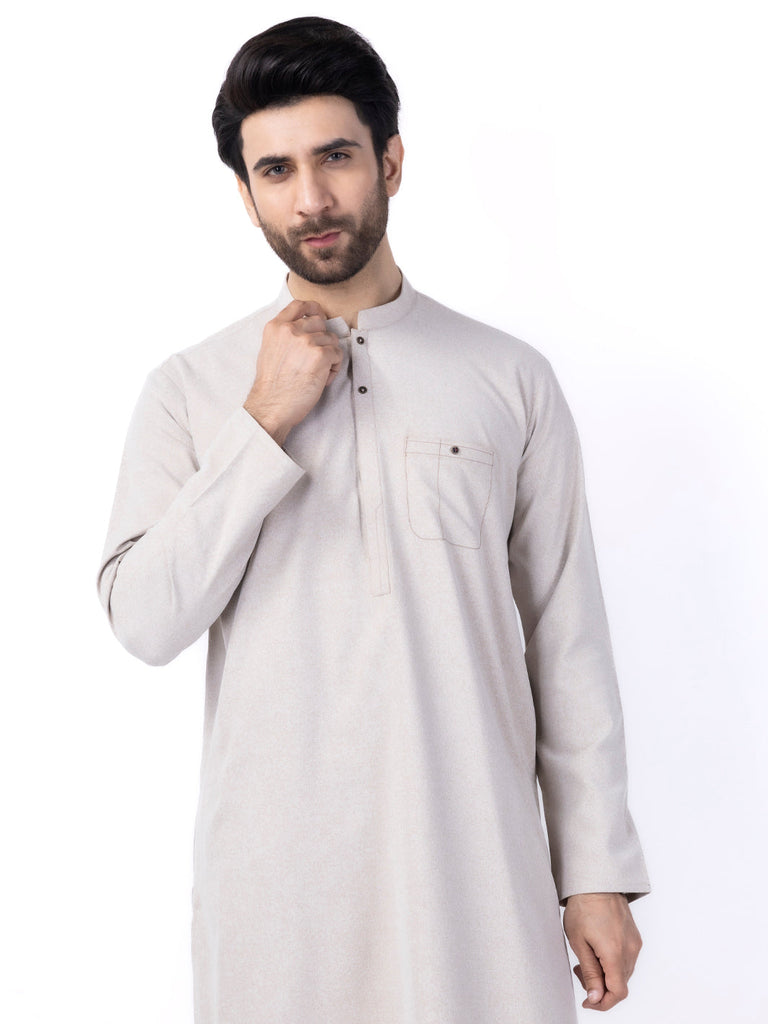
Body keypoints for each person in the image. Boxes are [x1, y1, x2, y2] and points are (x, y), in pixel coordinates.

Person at [98, 16, 650, 1024]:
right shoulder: (190, 390)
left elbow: (567, 640)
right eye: (275, 171)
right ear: (245, 193)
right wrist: (264, 419)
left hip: (476, 879)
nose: (310, 198)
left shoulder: (508, 378)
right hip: (277, 900)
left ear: (391, 161)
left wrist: (596, 873)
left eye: (336, 157)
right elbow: (143, 620)